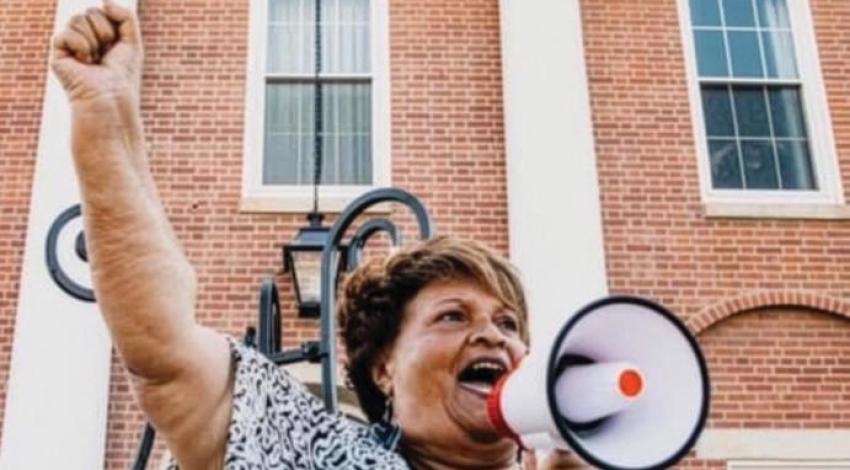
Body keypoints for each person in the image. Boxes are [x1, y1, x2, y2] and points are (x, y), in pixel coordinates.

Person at [51, 2, 588, 468]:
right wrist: (106, 114)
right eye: (453, 316)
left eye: (508, 323)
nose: (494, 335)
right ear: (384, 368)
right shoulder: (312, 452)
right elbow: (163, 348)